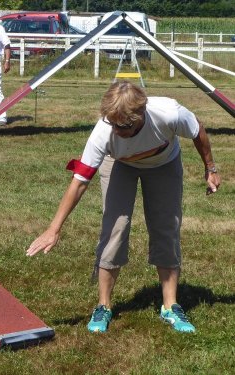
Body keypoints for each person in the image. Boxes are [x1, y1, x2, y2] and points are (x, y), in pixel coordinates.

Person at [26, 81, 221, 333]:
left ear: (141, 114)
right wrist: (53, 228)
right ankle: (103, 305)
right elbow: (79, 183)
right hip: (119, 163)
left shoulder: (169, 113)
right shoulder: (103, 132)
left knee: (167, 227)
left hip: (164, 164)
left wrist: (211, 168)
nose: (117, 130)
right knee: (114, 230)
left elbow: (198, 131)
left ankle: (170, 305)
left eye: (124, 126)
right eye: (113, 124)